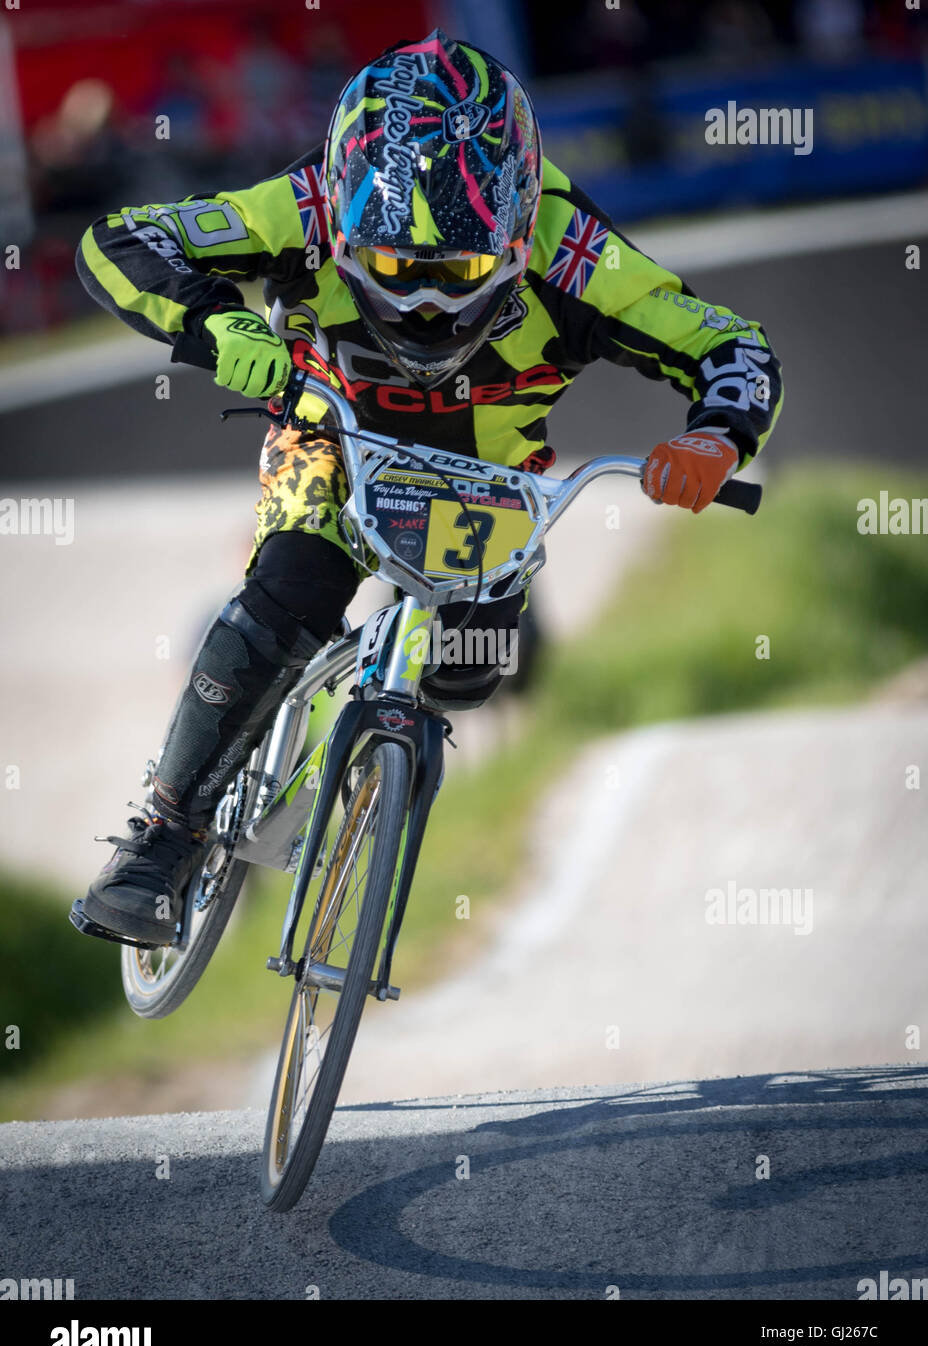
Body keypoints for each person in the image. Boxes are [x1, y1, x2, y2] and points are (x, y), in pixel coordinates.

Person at [73, 28, 782, 948]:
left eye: (460, 274)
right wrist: (216, 329)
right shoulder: (305, 206)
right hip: (333, 436)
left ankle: (370, 739)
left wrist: (715, 437)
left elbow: (733, 346)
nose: (426, 306)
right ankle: (161, 839)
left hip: (489, 485)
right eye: (400, 270)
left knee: (472, 673)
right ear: (346, 218)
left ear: (521, 229)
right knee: (293, 587)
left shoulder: (578, 253)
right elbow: (117, 241)